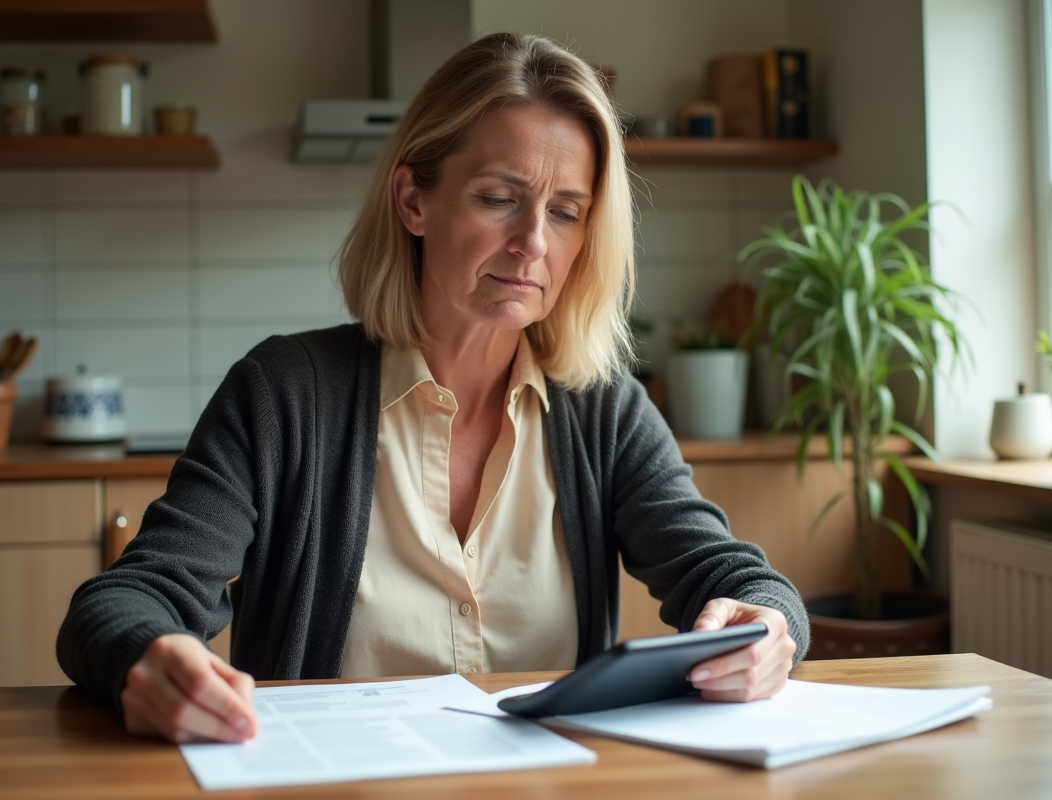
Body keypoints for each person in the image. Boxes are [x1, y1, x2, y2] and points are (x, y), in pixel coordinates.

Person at [57, 32, 809, 745]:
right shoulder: (284, 394)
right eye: (499, 197)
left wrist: (767, 625)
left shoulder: (604, 409)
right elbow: (124, 600)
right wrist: (146, 654)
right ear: (414, 200)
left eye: (566, 213)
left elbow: (734, 578)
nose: (533, 243)